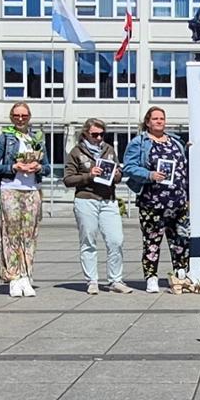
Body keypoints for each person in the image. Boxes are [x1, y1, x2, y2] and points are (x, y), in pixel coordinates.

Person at [125, 106, 190, 293]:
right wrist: (149, 174)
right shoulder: (140, 142)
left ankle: (180, 274)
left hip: (177, 201)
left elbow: (185, 167)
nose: (159, 121)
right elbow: (129, 167)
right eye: (155, 119)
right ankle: (151, 277)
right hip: (152, 201)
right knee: (152, 241)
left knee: (180, 241)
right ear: (147, 122)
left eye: (162, 118)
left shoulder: (176, 141)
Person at [65, 118, 132, 294]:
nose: (99, 138)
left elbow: (118, 173)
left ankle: (115, 280)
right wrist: (89, 175)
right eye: (95, 134)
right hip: (86, 199)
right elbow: (68, 179)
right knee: (88, 240)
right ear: (86, 133)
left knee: (116, 240)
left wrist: (117, 174)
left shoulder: (109, 150)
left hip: (108, 199)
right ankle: (92, 280)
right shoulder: (76, 152)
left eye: (102, 134)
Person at [0, 102, 45, 297]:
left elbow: (46, 167)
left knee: (30, 235)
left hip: (32, 190)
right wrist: (14, 167)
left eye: (24, 115)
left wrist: (38, 168)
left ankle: (26, 275)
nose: (21, 119)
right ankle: (13, 276)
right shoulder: (5, 137)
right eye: (17, 115)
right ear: (11, 117)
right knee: (11, 233)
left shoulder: (36, 138)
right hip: (10, 189)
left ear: (29, 117)